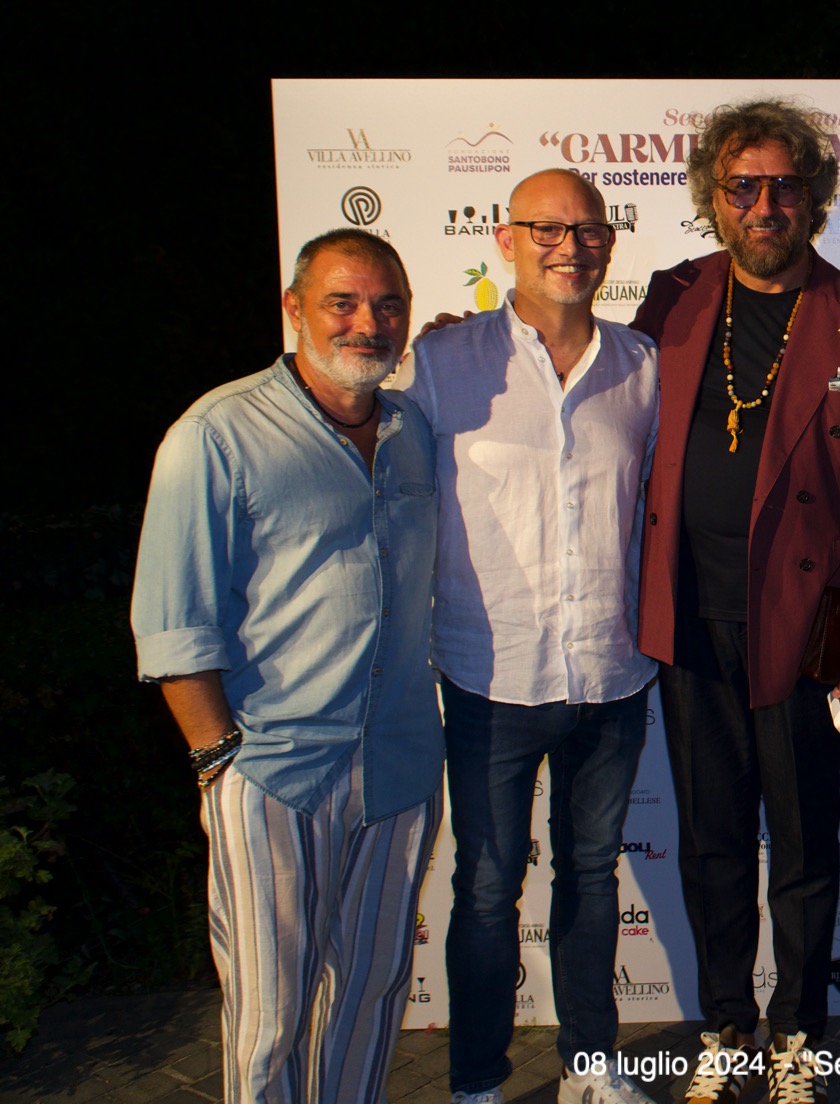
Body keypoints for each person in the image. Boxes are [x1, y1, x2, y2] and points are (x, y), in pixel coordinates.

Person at [631, 100, 840, 1104]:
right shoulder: (671, 302)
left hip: (810, 635)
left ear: (815, 197)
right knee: (711, 840)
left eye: (783, 186)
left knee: (802, 844)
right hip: (689, 621)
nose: (764, 205)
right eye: (743, 186)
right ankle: (726, 1025)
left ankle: (798, 1030)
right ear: (715, 198)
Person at [132, 229, 443, 1103]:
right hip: (273, 771)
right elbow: (171, 618)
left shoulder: (414, 431)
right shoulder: (216, 434)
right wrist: (216, 761)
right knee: (270, 1017)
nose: (367, 323)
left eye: (387, 305)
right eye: (343, 302)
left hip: (400, 767)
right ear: (294, 309)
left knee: (371, 997)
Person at [407, 169, 662, 1104]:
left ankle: (591, 1068)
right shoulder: (438, 362)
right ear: (505, 239)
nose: (570, 246)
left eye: (588, 229)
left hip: (612, 674)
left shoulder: (646, 366)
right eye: (547, 229)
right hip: (489, 676)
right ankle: (477, 1082)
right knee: (485, 889)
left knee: (592, 877)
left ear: (609, 243)